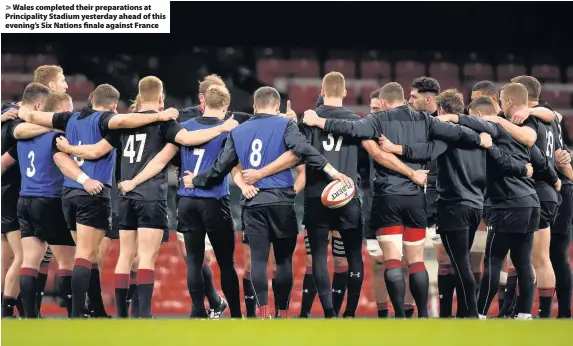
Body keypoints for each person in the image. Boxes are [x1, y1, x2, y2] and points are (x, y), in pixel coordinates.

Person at [303, 81, 490, 318]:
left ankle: (400, 314)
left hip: (387, 198)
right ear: (403, 99)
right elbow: (455, 133)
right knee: (416, 261)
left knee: (391, 259)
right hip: (415, 198)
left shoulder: (378, 120)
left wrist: (319, 122)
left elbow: (351, 129)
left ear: (382, 102)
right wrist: (479, 139)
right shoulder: (425, 120)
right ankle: (422, 314)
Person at [61, 76, 238, 318]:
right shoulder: (165, 123)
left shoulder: (123, 124)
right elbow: (183, 142)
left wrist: (69, 149)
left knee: (125, 255)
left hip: (123, 194)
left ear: (140, 96)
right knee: (146, 256)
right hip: (151, 195)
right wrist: (221, 127)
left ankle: (122, 314)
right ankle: (143, 314)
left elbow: (96, 151)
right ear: (162, 97)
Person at [188, 86, 350, 319]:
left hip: (253, 202)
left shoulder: (239, 131)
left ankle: (262, 309)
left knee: (258, 259)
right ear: (277, 107)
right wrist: (332, 171)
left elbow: (219, 168)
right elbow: (304, 149)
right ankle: (281, 311)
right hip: (281, 200)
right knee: (283, 260)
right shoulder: (285, 125)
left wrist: (195, 180)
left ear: (254, 107)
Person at [439, 83, 559, 319]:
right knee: (523, 260)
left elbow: (492, 146)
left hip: (507, 204)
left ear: (483, 116)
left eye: (475, 118)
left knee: (493, 260)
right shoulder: (519, 133)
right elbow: (540, 160)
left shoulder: (491, 128)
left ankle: (480, 312)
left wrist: (454, 118)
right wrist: (555, 179)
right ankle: (524, 313)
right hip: (530, 203)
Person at [12, 86, 80, 317]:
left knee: (31, 259)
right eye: (66, 111)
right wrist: (84, 178)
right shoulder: (56, 137)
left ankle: (30, 315)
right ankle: (73, 314)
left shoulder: (23, 137)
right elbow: (64, 163)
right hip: (50, 200)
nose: (69, 115)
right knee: (67, 261)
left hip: (25, 200)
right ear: (54, 112)